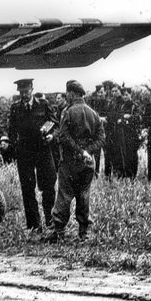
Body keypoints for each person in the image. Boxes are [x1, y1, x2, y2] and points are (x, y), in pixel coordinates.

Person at [45, 80, 105, 243]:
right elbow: (101, 138)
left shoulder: (68, 112)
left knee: (64, 195)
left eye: (68, 93)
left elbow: (63, 136)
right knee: (84, 196)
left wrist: (79, 151)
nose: (67, 96)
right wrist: (88, 151)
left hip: (70, 162)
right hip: (88, 162)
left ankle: (59, 231)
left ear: (72, 94)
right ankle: (83, 232)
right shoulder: (93, 113)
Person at [7, 79, 58, 234]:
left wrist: (51, 136)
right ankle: (34, 226)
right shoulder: (15, 108)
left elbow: (55, 124)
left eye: (26, 91)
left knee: (48, 185)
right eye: (21, 92)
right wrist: (15, 146)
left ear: (32, 90)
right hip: (25, 153)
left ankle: (50, 220)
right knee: (27, 189)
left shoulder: (43, 104)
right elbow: (11, 130)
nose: (23, 94)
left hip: (43, 151)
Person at [87, 84, 109, 176]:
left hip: (107, 131)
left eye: (102, 92)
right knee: (96, 154)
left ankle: (108, 174)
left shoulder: (108, 103)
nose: (100, 94)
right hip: (96, 132)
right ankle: (95, 173)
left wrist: (100, 119)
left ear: (105, 92)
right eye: (99, 92)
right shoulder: (93, 103)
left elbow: (109, 118)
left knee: (107, 154)